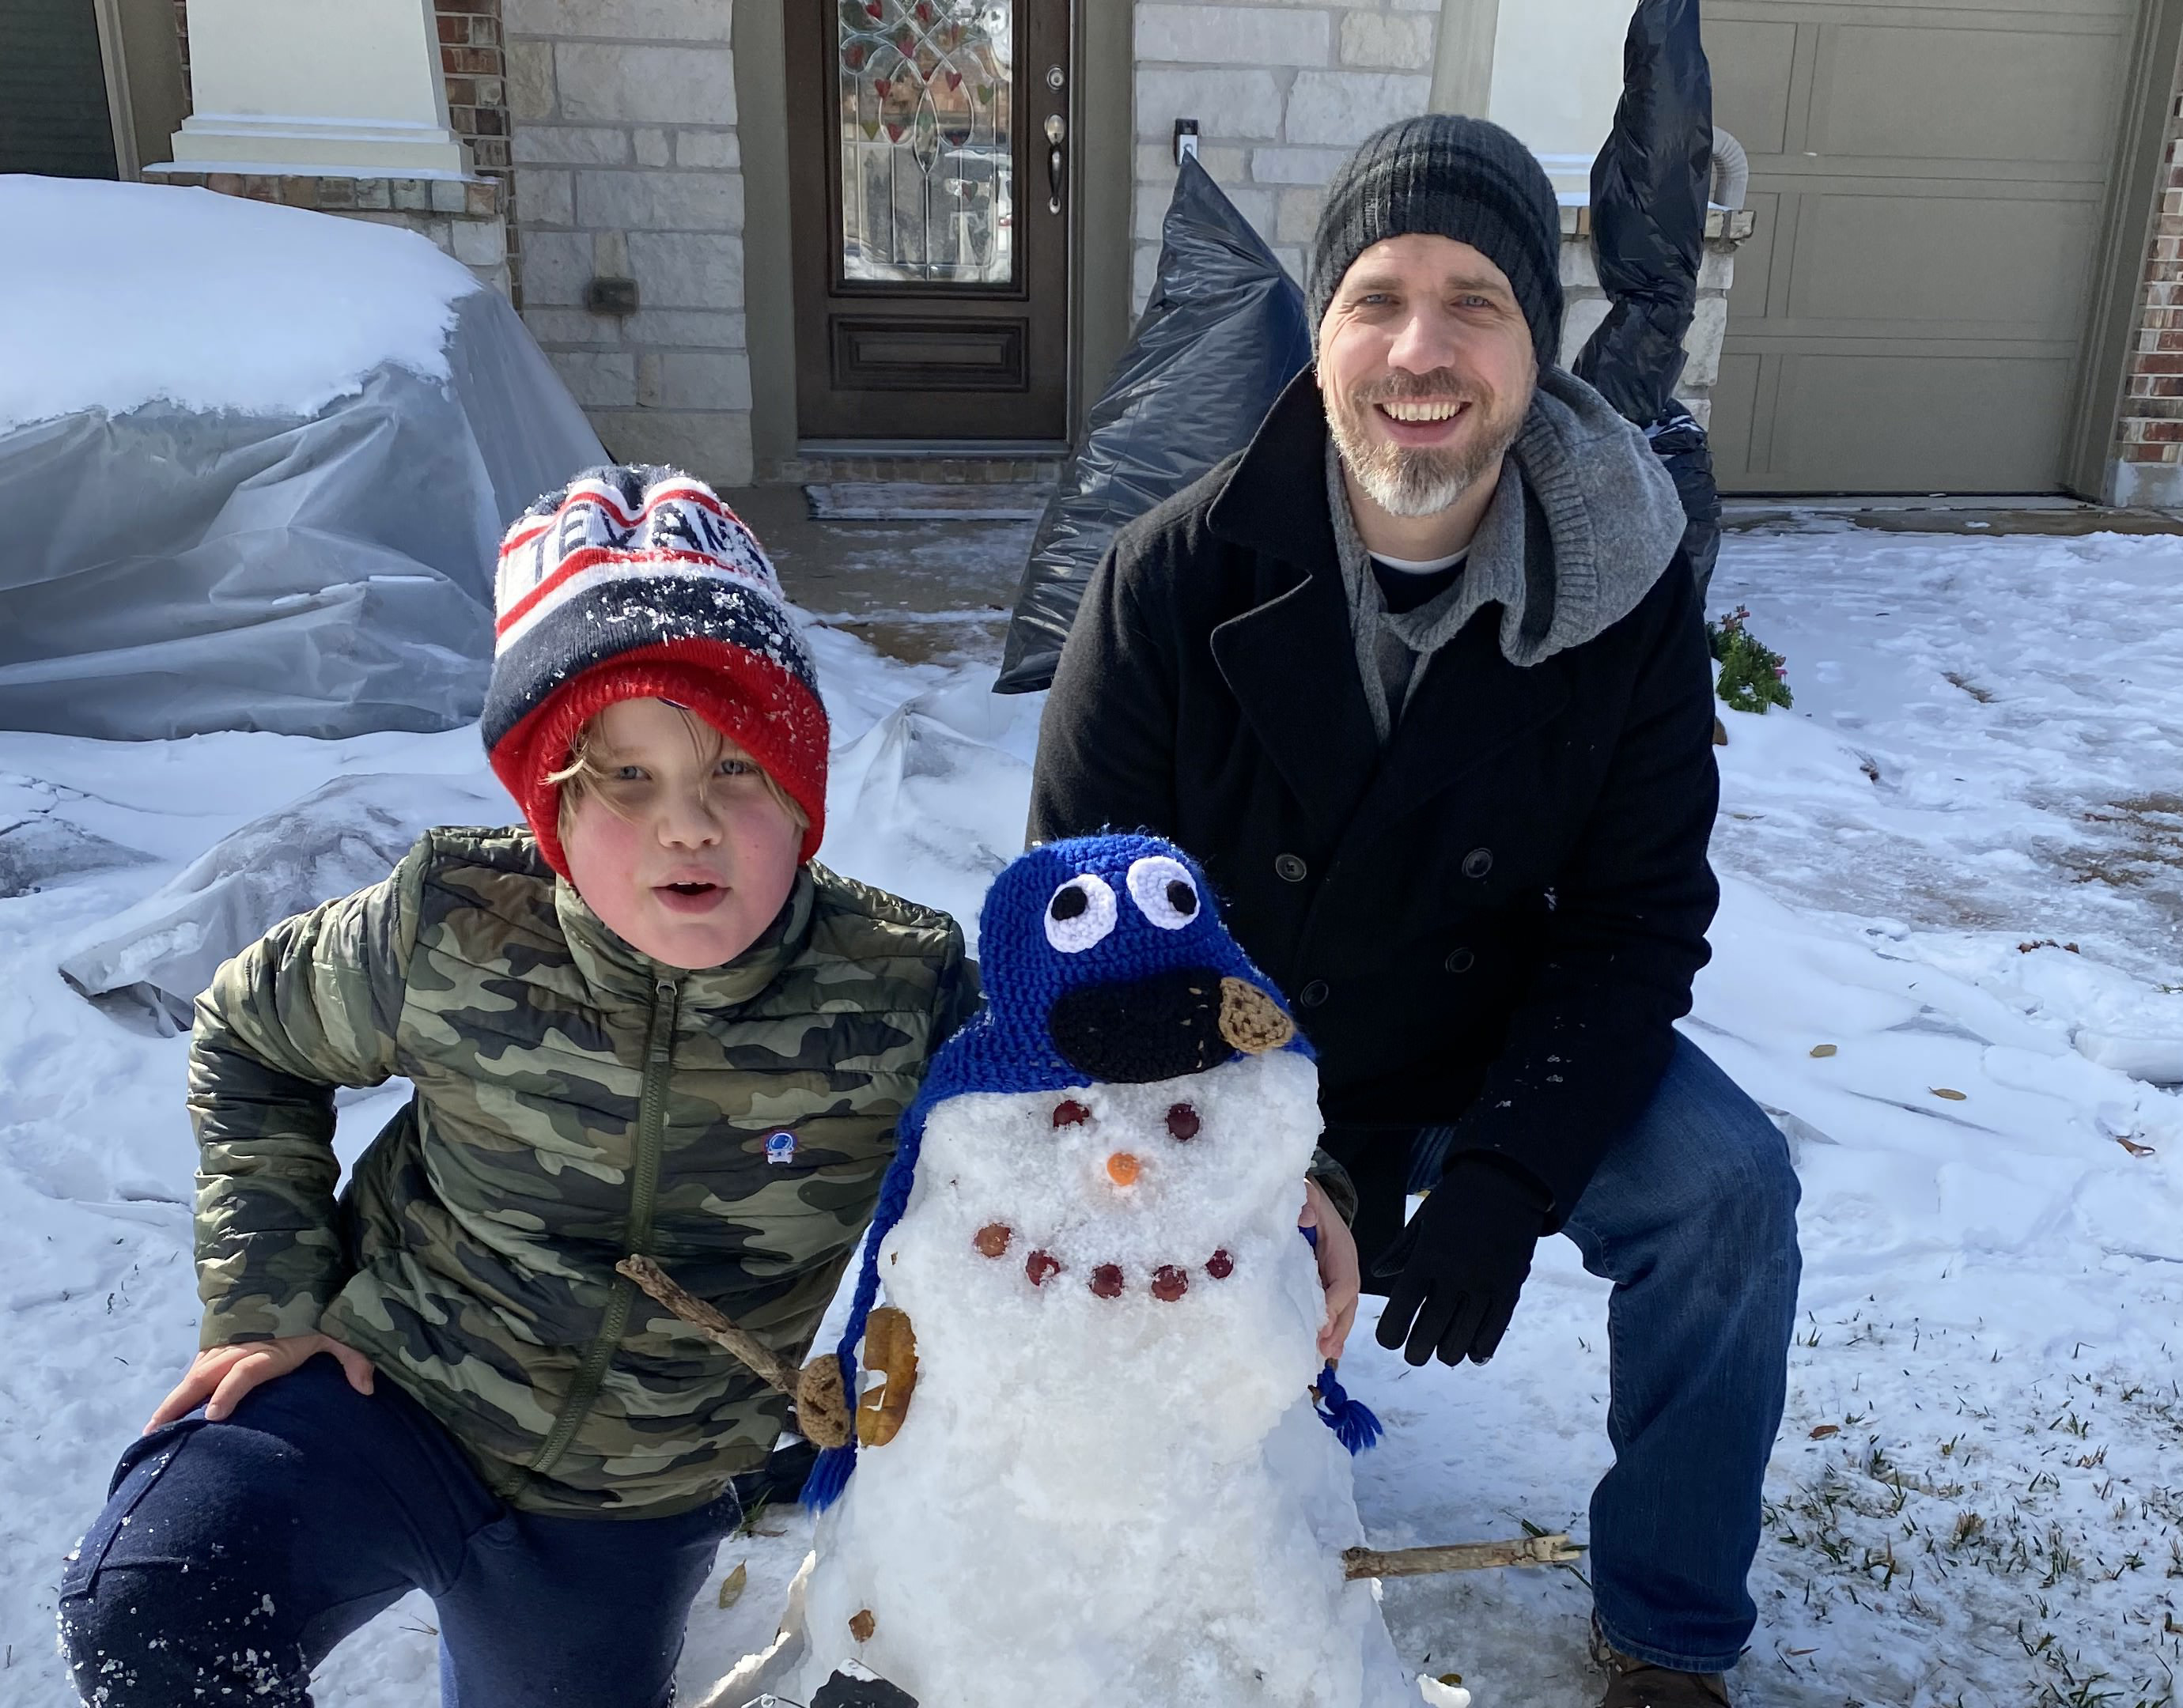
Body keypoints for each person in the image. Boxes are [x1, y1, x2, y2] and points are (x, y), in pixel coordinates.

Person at [1029, 116, 1802, 1708]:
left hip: (1487, 1063)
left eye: (1479, 302)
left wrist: (1517, 1162)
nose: (1422, 349)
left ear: (1535, 345)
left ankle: (1669, 1629)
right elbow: (1085, 940)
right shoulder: (1165, 583)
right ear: (1321, 338)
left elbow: (1638, 919)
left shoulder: (1628, 583)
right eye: (1377, 297)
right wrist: (1269, 1155)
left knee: (1729, 1191)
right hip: (1221, 1078)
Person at [55, 467, 976, 1708]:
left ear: (803, 790)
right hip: (392, 1407)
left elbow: (1100, 1100)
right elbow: (248, 1033)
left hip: (629, 1510)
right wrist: (269, 1296)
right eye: (625, 780)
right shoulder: (451, 925)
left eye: (737, 772)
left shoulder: (899, 990)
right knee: (154, 1598)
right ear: (547, 804)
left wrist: (1289, 1174)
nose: (686, 827)